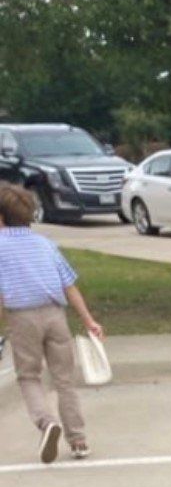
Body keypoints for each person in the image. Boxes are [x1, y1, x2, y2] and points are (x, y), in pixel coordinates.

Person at [0, 183, 101, 461]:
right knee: (64, 379)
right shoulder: (46, 244)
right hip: (56, 315)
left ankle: (47, 422)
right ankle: (79, 440)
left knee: (29, 376)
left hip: (22, 318)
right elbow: (70, 286)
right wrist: (89, 320)